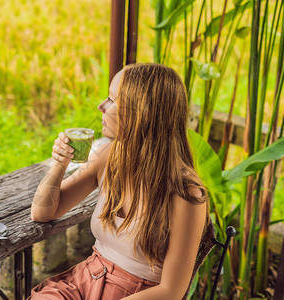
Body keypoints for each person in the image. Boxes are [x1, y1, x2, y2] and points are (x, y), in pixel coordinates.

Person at [30, 63, 208, 300]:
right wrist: (60, 164)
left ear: (141, 112)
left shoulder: (187, 194)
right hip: (85, 281)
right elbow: (42, 213)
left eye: (113, 100)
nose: (101, 106)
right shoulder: (109, 155)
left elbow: (171, 291)